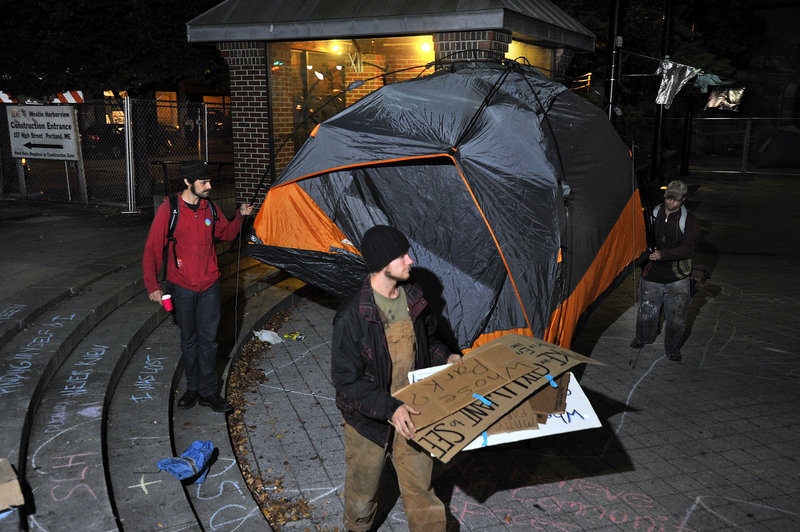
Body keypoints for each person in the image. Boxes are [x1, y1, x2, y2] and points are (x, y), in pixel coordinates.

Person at [331, 225, 463, 532]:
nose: (410, 260)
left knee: (421, 490)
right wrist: (389, 408)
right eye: (401, 256)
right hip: (368, 421)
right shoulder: (353, 316)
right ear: (382, 264)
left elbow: (430, 342)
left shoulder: (414, 298)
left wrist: (448, 357)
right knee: (362, 497)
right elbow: (346, 382)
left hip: (413, 410)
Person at [142, 161, 254, 412]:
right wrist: (153, 285)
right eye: (204, 182)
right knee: (189, 339)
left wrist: (240, 217)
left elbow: (225, 234)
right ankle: (192, 387)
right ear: (187, 182)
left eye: (209, 181)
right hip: (181, 287)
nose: (209, 186)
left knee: (209, 340)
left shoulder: (210, 208)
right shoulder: (169, 210)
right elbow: (152, 249)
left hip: (210, 285)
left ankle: (208, 391)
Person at [631, 180, 700, 361]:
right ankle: (643, 337)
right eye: (669, 198)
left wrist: (663, 254)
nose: (671, 202)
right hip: (652, 273)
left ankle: (673, 348)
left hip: (677, 276)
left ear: (683, 199)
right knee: (646, 309)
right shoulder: (653, 214)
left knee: (677, 316)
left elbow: (688, 249)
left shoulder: (689, 220)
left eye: (676, 200)